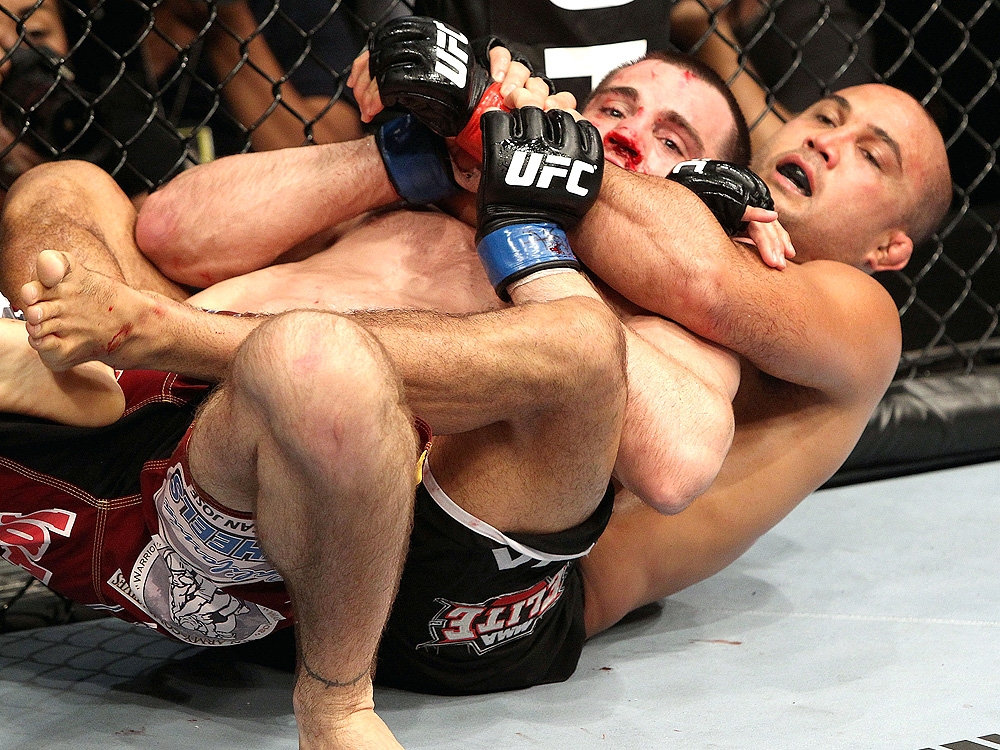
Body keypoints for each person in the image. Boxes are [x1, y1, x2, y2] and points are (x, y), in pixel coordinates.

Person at [0, 103, 641, 745]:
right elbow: (177, 224)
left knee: (320, 363)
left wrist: (533, 226)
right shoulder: (401, 207)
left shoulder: (627, 288)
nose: (624, 136)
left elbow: (663, 446)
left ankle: (336, 706)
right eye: (611, 110)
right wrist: (419, 145)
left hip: (278, 486)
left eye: (665, 136)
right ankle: (61, 354)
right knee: (65, 185)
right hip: (151, 383)